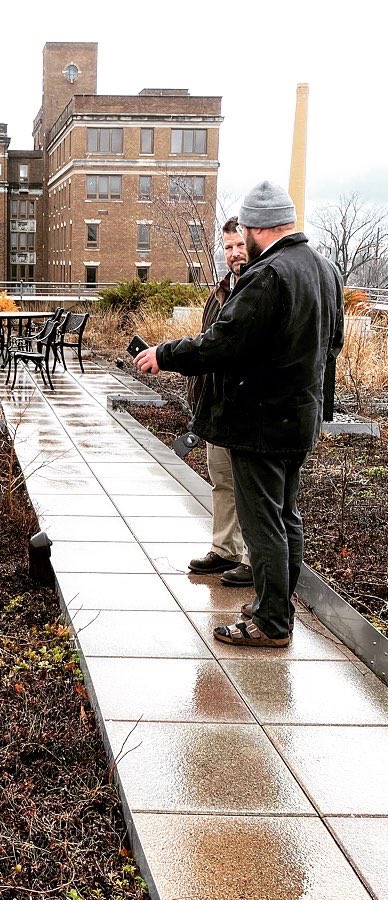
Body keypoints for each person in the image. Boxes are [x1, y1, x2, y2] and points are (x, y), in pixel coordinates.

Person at [135, 181, 343, 647]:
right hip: (299, 420)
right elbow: (332, 347)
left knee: (263, 522)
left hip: (260, 424)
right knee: (287, 517)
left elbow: (223, 341)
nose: (241, 240)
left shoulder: (268, 274)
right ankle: (276, 607)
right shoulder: (325, 270)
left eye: (244, 229)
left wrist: (163, 354)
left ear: (257, 227)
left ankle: (271, 623)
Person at [186, 217, 253, 587]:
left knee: (251, 487)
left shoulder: (261, 287)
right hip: (217, 407)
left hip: (248, 410)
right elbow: (207, 346)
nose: (235, 253)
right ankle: (224, 548)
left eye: (240, 244)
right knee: (222, 481)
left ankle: (251, 559)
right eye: (228, 247)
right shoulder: (220, 291)